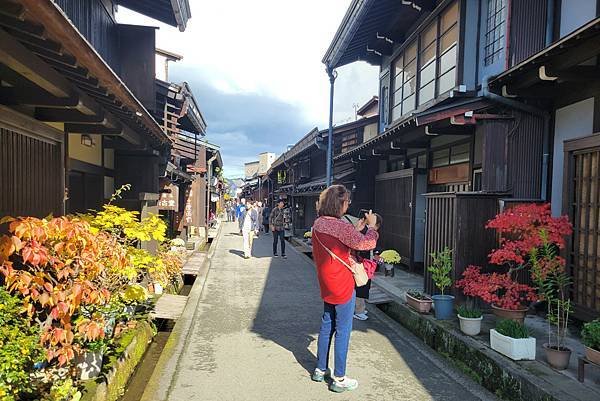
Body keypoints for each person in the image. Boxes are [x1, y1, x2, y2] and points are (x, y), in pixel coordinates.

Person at [311, 185, 379, 393]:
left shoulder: (318, 223)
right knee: (343, 330)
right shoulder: (342, 227)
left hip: (326, 282)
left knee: (326, 325)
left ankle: (320, 369)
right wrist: (373, 228)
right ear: (339, 203)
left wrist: (355, 230)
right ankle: (339, 377)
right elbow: (365, 244)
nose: (348, 204)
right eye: (347, 201)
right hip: (342, 283)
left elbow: (341, 242)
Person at [353, 213, 382, 321]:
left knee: (363, 286)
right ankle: (358, 310)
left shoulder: (365, 230)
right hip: (361, 264)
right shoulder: (365, 231)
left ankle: (360, 308)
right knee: (361, 287)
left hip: (365, 263)